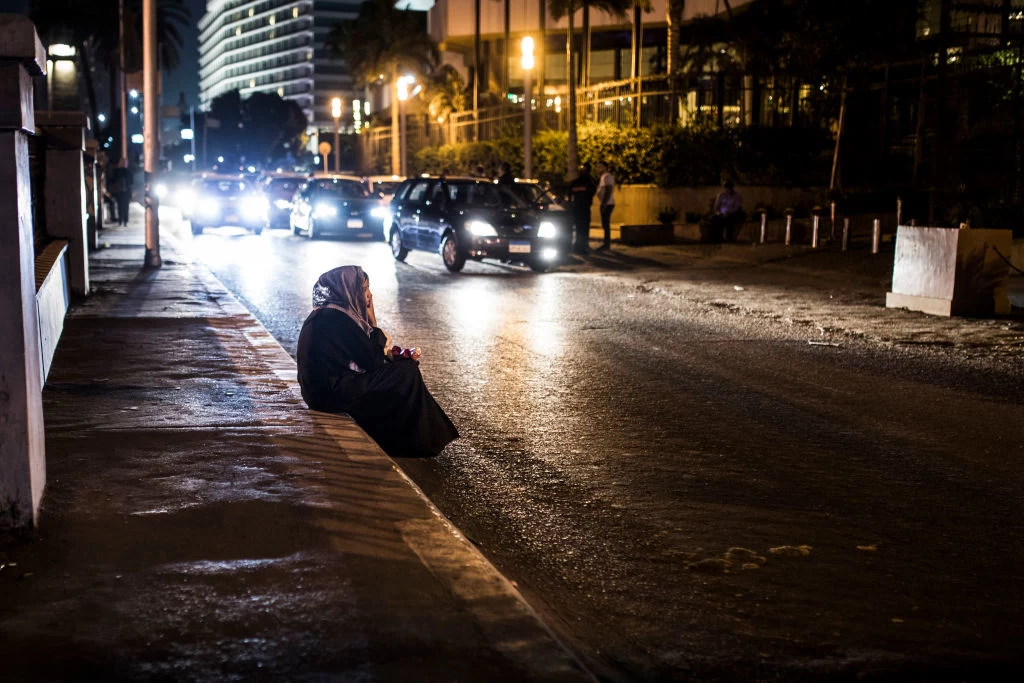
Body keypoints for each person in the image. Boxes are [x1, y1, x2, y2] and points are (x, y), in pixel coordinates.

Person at [297, 266, 459, 458]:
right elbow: (372, 361)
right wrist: (373, 323)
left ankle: (420, 433)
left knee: (400, 369)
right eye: (364, 289)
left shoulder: (326, 314)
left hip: (320, 392)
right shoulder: (338, 319)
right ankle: (412, 439)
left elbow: (362, 357)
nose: (369, 296)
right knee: (406, 372)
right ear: (350, 291)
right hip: (329, 395)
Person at [568, 163, 597, 254]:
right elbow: (569, 193)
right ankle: (579, 247)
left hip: (582, 208)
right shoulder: (583, 182)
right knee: (581, 228)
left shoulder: (588, 182)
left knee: (582, 228)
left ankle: (581, 246)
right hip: (580, 208)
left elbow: (591, 193)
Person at [595, 160, 615, 250]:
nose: (598, 168)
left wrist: (604, 203)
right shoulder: (603, 177)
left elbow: (608, 190)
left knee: (606, 224)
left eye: (600, 166)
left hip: (607, 203)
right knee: (604, 224)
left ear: (606, 167)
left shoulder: (607, 176)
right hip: (605, 203)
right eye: (598, 167)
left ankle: (606, 244)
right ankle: (606, 244)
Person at [109, 159, 134, 226]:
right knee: (125, 207)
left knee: (120, 207)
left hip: (119, 192)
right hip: (125, 192)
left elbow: (112, 182)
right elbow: (131, 183)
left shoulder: (116, 171)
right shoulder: (127, 172)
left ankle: (121, 220)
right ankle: (125, 221)